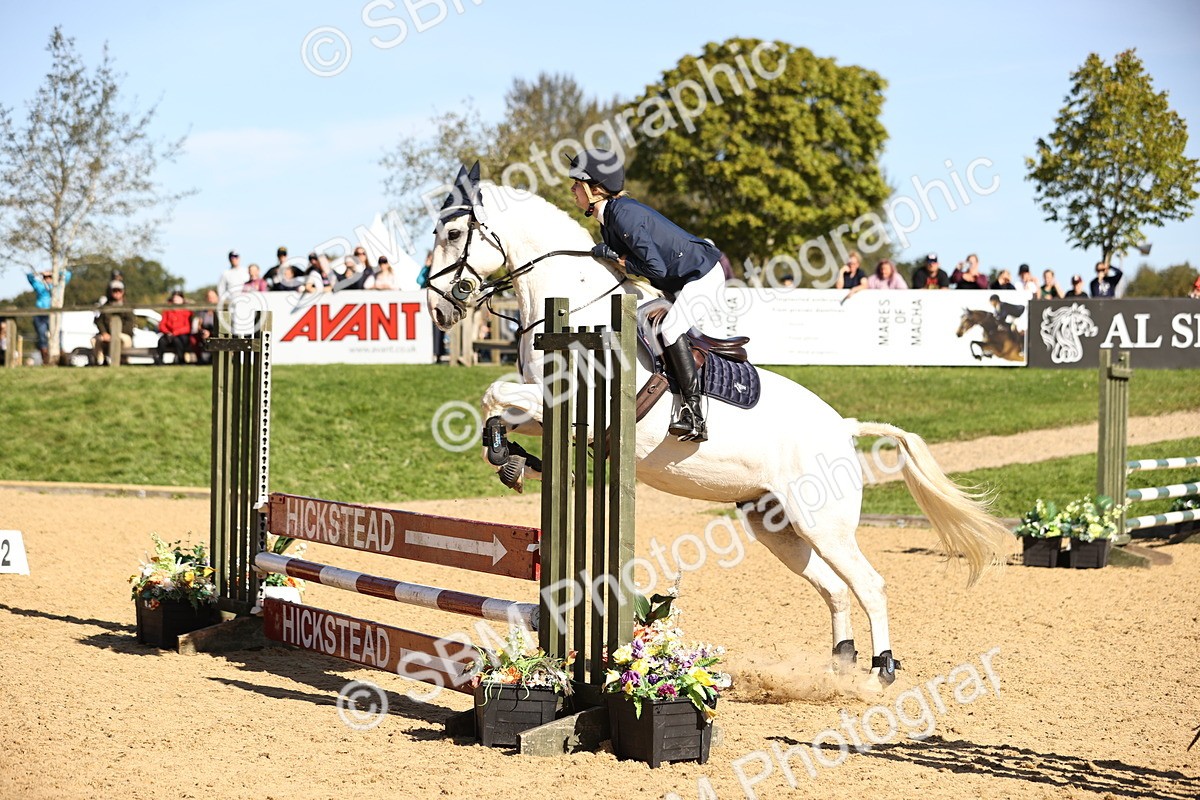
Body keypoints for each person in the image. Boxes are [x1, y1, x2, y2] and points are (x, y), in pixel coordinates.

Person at [569, 148, 725, 442]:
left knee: (669, 328)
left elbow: (655, 266)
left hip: (701, 275)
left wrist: (617, 257)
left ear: (596, 189)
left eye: (577, 183)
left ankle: (694, 414)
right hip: (679, 279)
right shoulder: (610, 217)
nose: (572, 189)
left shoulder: (623, 215)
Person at [25, 265, 72, 365]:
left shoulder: (58, 286)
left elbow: (67, 275)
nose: (48, 279)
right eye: (46, 277)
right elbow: (29, 277)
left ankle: (60, 359)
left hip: (54, 314)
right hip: (41, 314)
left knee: (57, 335)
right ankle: (45, 360)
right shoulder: (40, 286)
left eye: (50, 277)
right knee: (42, 337)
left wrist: (55, 271)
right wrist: (40, 273)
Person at [92, 281, 136, 365]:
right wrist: (104, 333)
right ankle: (99, 362)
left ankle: (123, 360)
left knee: (124, 340)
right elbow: (100, 321)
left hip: (123, 334)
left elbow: (130, 324)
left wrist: (114, 334)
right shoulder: (106, 306)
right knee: (95, 340)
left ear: (122, 292)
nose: (117, 293)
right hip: (107, 335)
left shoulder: (127, 306)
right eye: (114, 290)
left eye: (119, 290)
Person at [156, 290, 192, 365]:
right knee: (161, 341)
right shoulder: (167, 310)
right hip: (168, 334)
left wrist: (176, 333)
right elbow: (162, 324)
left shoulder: (186, 310)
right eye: (174, 298)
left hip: (181, 335)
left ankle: (181, 361)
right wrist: (167, 332)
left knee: (178, 341)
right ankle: (159, 361)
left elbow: (187, 327)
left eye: (178, 298)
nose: (175, 299)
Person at [193, 289, 219, 365]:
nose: (211, 299)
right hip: (205, 332)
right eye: (209, 297)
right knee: (193, 339)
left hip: (217, 332)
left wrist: (210, 333)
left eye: (213, 297)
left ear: (217, 298)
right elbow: (199, 325)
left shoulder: (221, 310)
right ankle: (200, 359)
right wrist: (203, 331)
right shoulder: (203, 312)